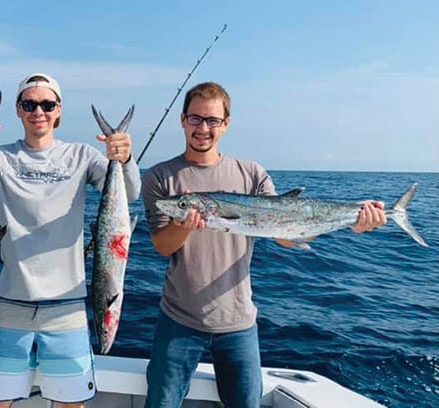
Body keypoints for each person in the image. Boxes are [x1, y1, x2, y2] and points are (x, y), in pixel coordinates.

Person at [140, 81, 387, 407]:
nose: (203, 128)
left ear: (225, 124)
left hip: (239, 322)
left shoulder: (251, 173)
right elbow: (162, 246)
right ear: (183, 120)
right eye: (196, 119)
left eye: (212, 120)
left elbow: (283, 233)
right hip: (178, 320)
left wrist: (354, 220)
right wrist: (184, 226)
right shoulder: (159, 177)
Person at [0, 73, 142, 407]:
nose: (39, 111)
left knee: (71, 404)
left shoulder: (82, 156)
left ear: (58, 110)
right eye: (29, 104)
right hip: (8, 303)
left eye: (47, 104)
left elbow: (132, 192)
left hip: (68, 307)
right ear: (19, 110)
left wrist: (124, 159)